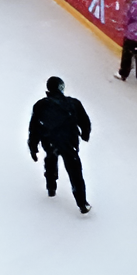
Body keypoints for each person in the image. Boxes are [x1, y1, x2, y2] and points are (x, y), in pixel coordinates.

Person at [29, 76, 91, 213]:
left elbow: (34, 128)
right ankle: (82, 203)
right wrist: (85, 134)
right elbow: (85, 122)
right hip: (69, 142)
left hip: (50, 140)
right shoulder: (73, 103)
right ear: (61, 88)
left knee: (51, 159)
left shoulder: (40, 105)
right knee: (75, 171)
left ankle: (51, 187)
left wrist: (33, 146)